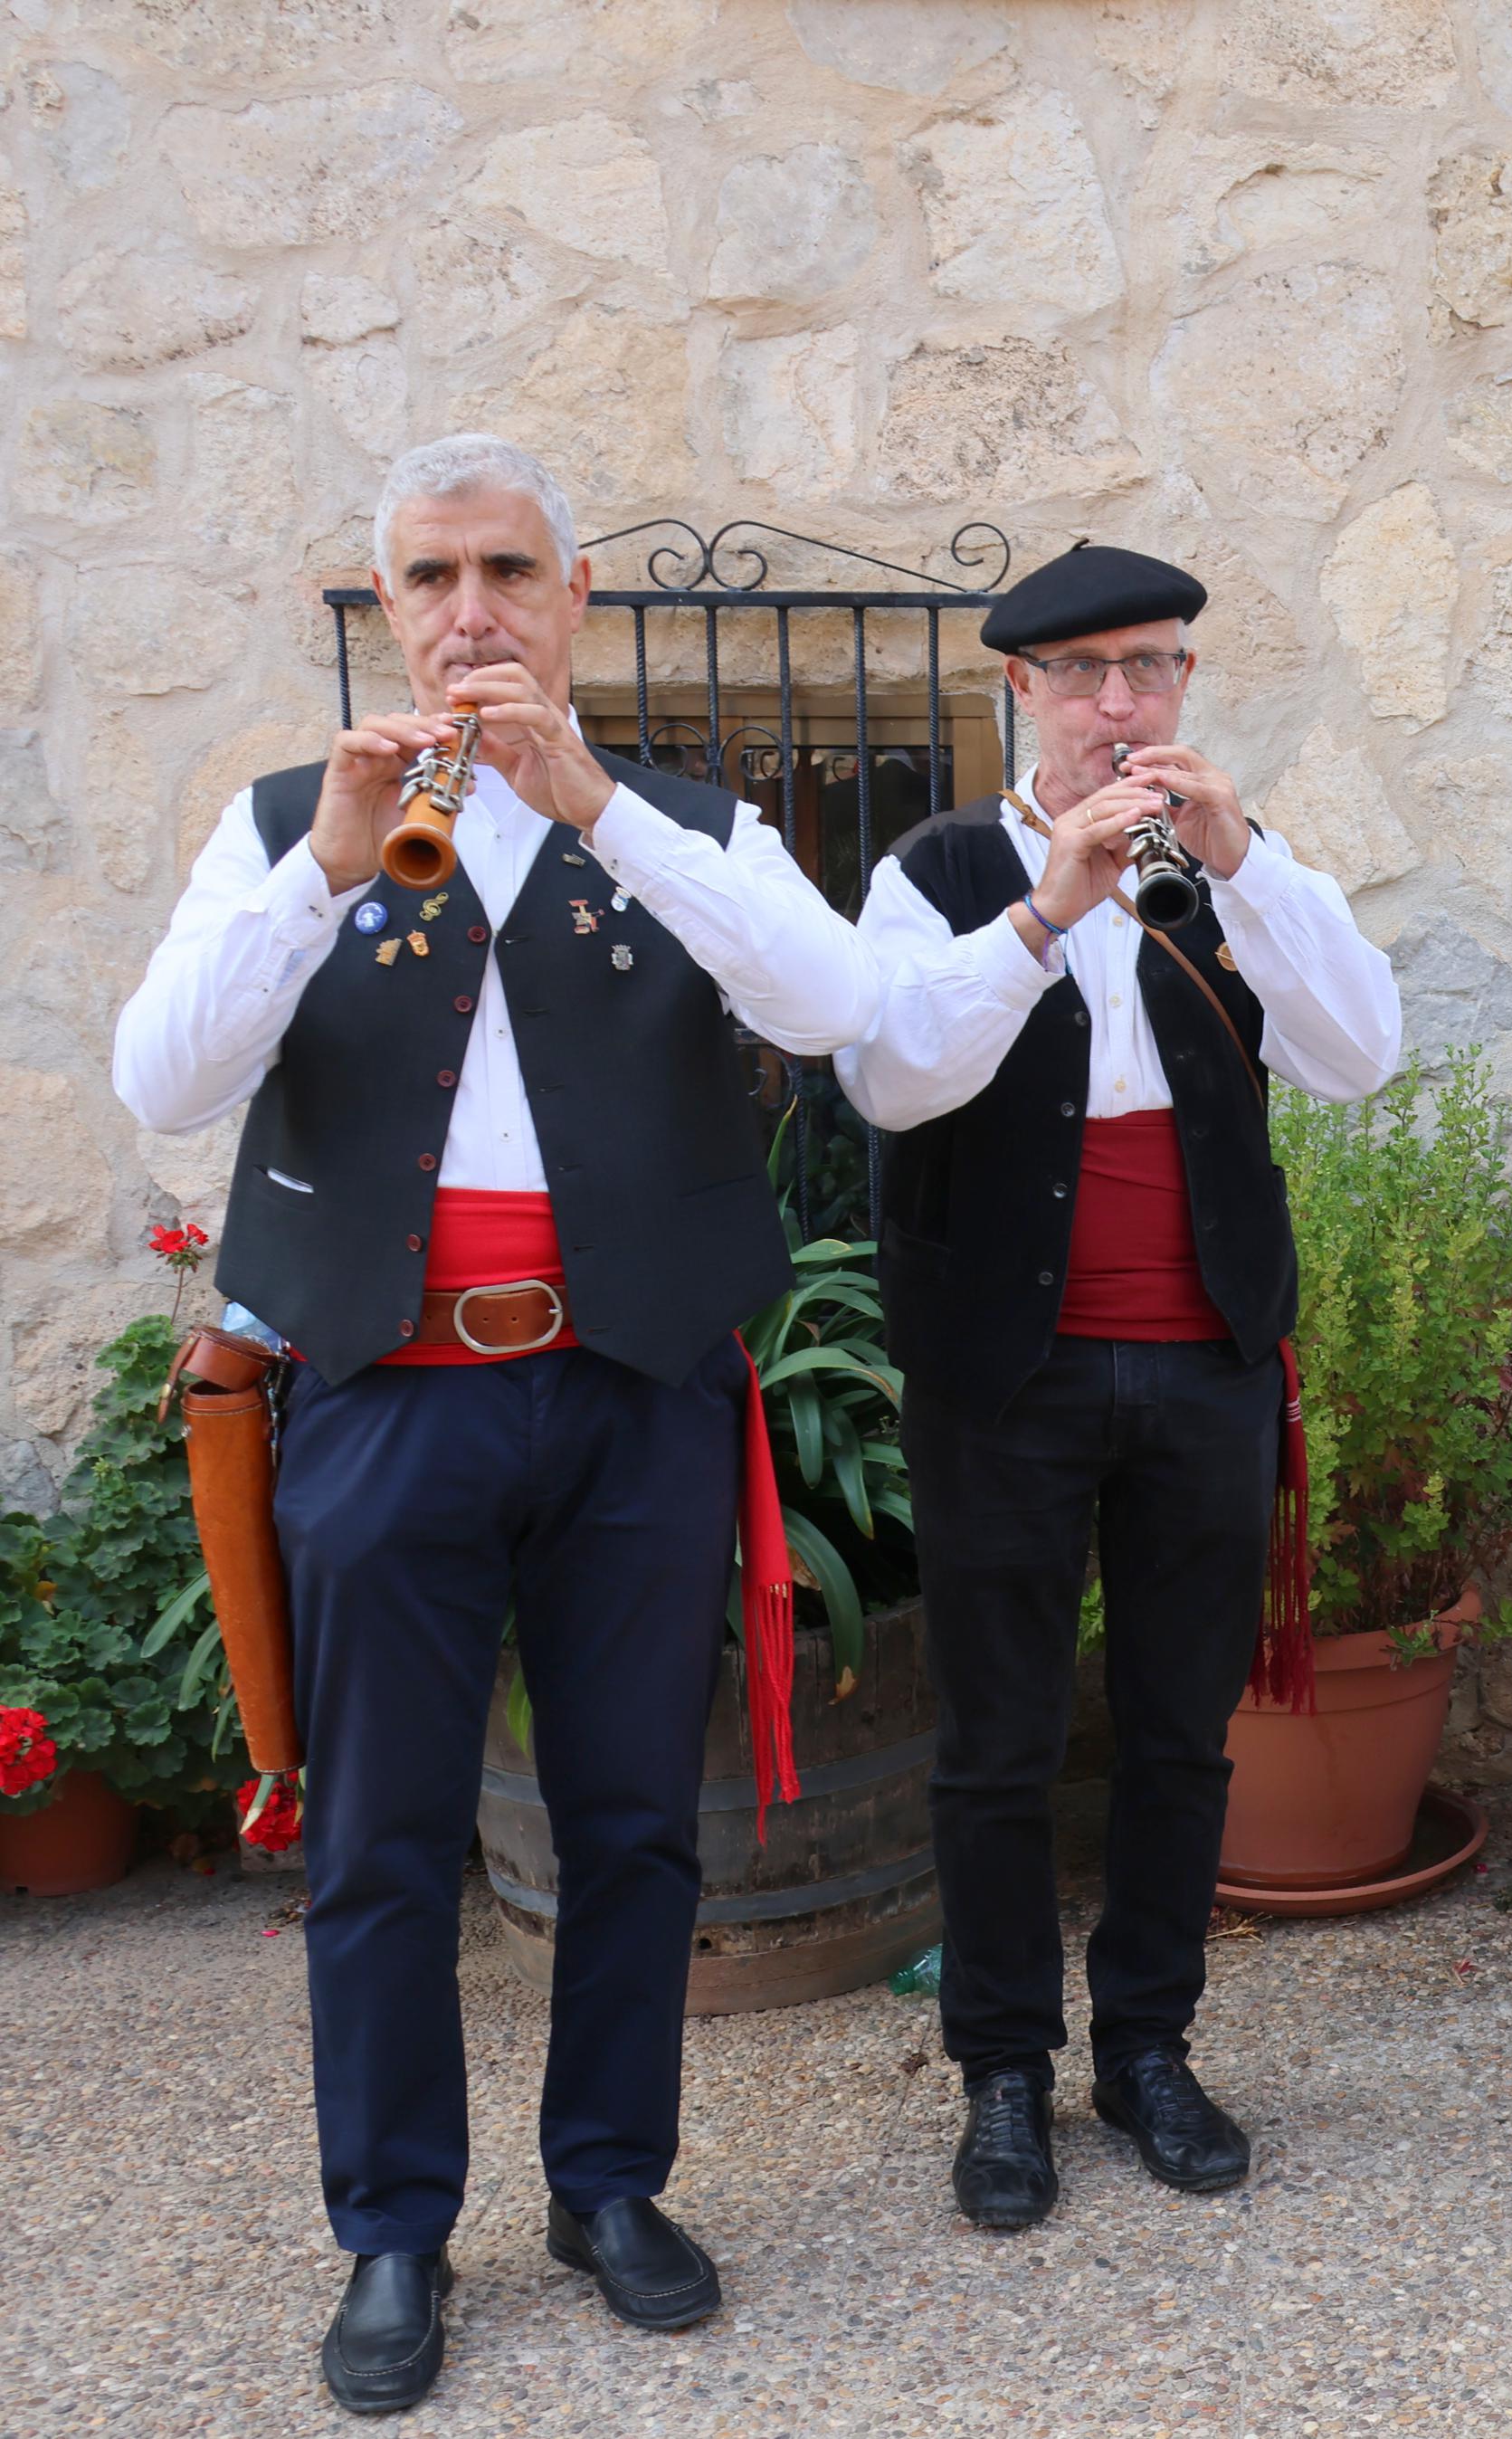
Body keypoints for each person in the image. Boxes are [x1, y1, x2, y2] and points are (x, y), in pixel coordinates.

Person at [111, 434, 878, 2414]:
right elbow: (165, 1075)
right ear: (386, 612)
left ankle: (610, 2185)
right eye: (432, 579)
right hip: (387, 1399)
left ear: (577, 596)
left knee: (635, 1821)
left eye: (508, 573)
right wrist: (324, 872)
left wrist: (597, 805)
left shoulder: (681, 821)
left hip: (625, 1394)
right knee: (379, 1840)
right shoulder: (292, 822)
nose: (472, 613)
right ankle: (390, 2232)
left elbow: (833, 1007)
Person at [835, 545, 1402, 2229]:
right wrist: (1048, 908)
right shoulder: (937, 871)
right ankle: (1002, 2071)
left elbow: (1358, 1054)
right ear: (1019, 693)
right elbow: (894, 1076)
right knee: (998, 1745)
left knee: (1178, 1735)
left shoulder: (1237, 871)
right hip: (1001, 1379)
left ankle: (1148, 2046)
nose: (1117, 704)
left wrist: (1242, 868)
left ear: (1183, 688)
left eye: (1148, 670)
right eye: (1081, 674)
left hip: (1203, 1366)